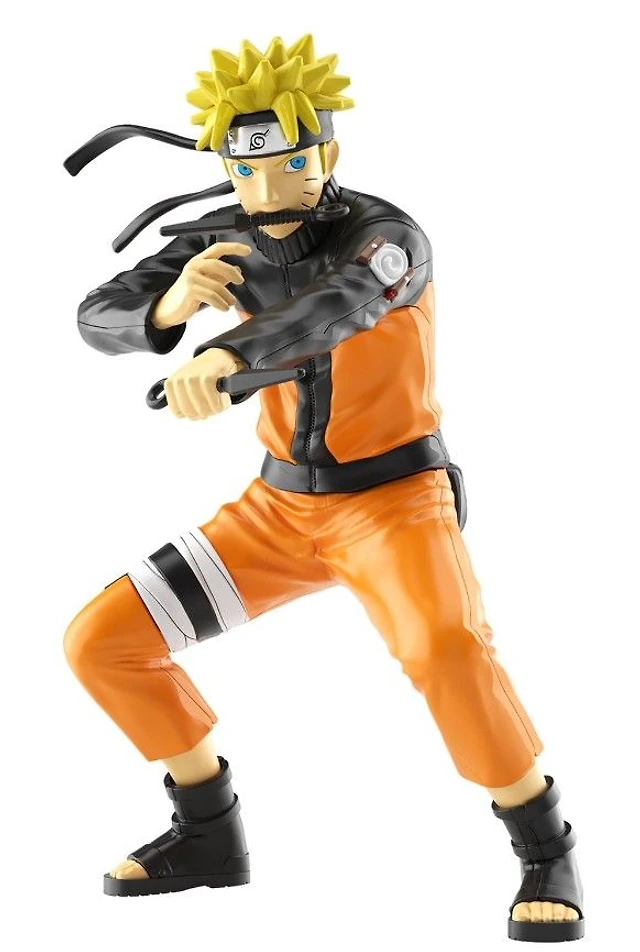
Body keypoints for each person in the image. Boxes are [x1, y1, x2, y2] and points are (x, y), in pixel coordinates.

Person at [64, 34, 584, 942]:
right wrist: (168, 306)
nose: (267, 191)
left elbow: (331, 310)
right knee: (102, 643)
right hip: (276, 513)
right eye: (246, 170)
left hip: (394, 504)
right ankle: (207, 830)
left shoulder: (388, 240)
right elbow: (95, 314)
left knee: (445, 650)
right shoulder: (220, 237)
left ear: (328, 153)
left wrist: (229, 354)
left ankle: (546, 846)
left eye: (291, 166)